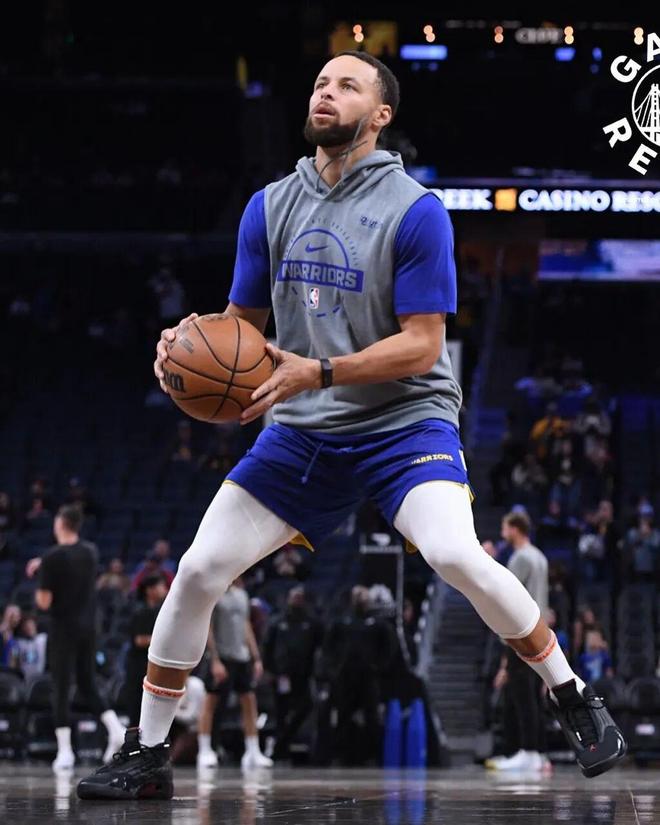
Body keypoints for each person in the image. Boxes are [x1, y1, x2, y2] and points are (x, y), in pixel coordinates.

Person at [78, 50, 625, 800]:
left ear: (382, 114)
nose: (326, 94)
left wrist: (322, 370)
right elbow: (241, 331)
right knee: (199, 569)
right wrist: (182, 350)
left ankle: (571, 692)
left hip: (405, 420)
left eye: (347, 85)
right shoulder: (269, 206)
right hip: (305, 428)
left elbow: (424, 345)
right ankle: (146, 753)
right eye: (319, 83)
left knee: (454, 553)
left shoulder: (416, 211)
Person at [35, 505, 126, 770]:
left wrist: (41, 573)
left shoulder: (51, 557)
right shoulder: (90, 552)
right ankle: (115, 729)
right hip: (89, 628)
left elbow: (44, 601)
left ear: (60, 523)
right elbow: (70, 566)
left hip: (63, 628)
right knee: (88, 684)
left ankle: (65, 751)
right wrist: (43, 566)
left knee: (61, 687)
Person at [487, 512, 551, 773]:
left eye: (505, 526)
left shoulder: (521, 558)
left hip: (520, 633)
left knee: (521, 695)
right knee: (531, 694)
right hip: (539, 634)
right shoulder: (540, 556)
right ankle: (536, 753)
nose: (502, 531)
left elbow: (506, 594)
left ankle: (528, 751)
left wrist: (489, 562)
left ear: (515, 528)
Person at [196, 577, 271, 769]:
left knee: (249, 701)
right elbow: (208, 628)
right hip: (221, 656)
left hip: (241, 657)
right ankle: (204, 750)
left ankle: (253, 751)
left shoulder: (242, 595)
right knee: (210, 702)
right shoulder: (214, 594)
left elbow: (246, 626)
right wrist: (214, 660)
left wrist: (256, 657)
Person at [123, 574, 170, 726]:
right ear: (150, 590)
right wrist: (164, 640)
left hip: (152, 666)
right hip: (139, 667)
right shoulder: (141, 611)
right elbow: (140, 640)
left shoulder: (160, 611)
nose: (165, 590)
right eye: (161, 586)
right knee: (138, 711)